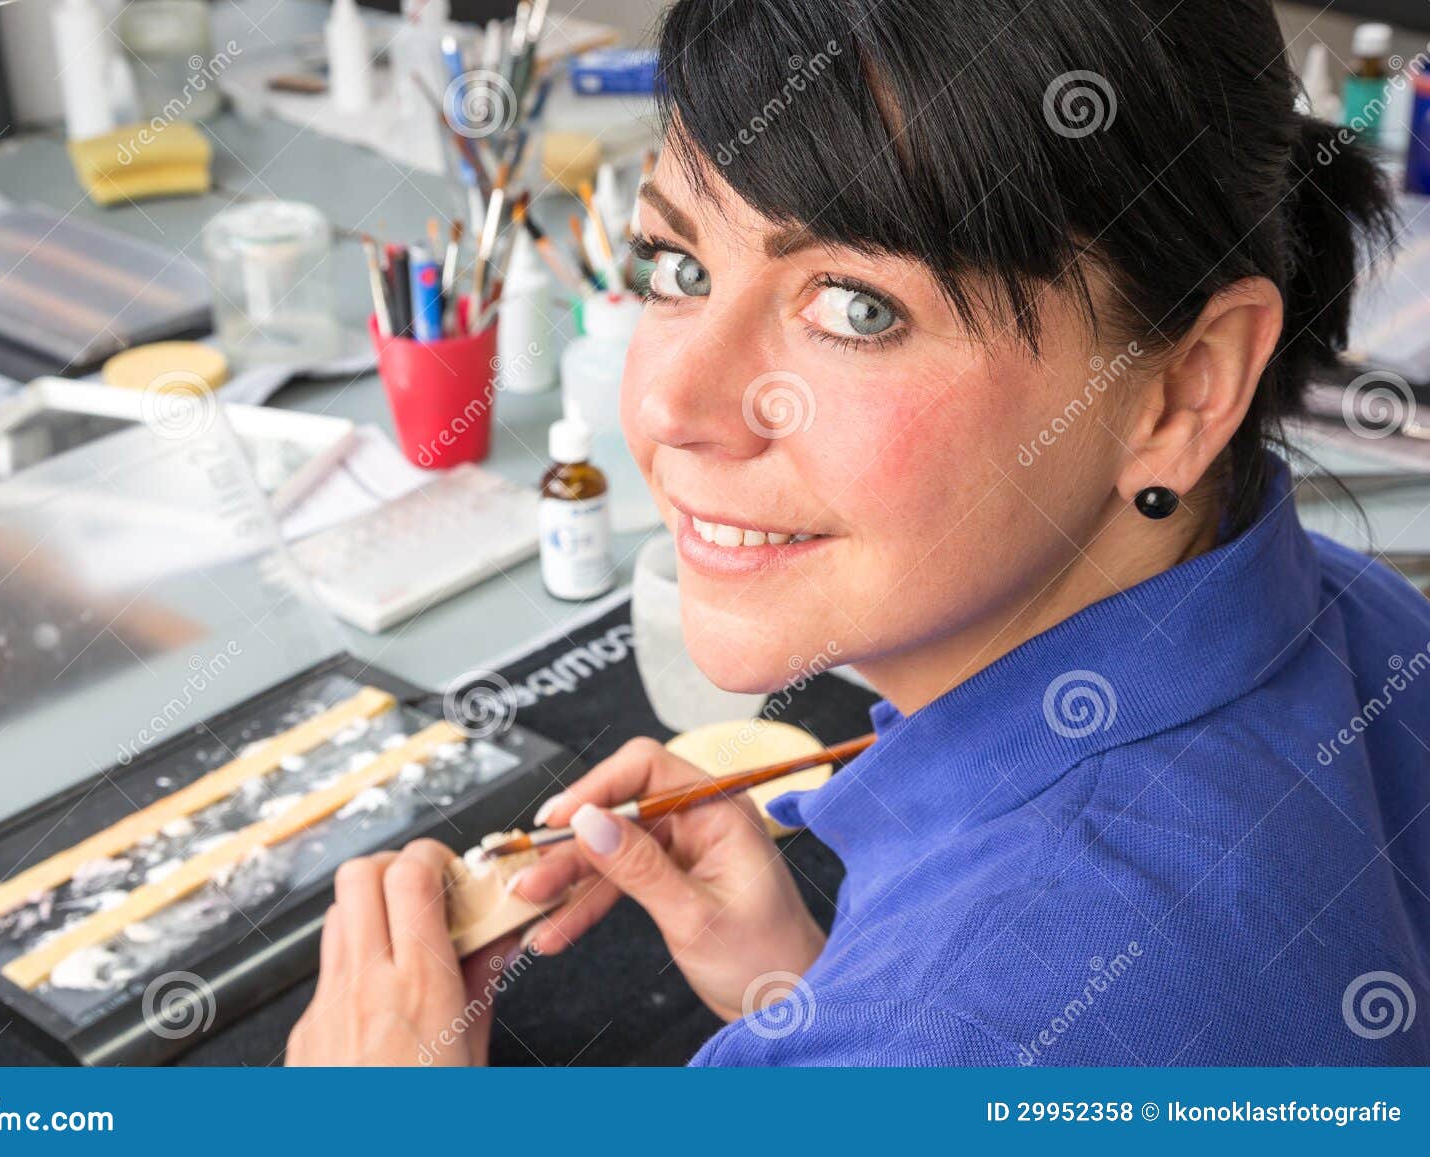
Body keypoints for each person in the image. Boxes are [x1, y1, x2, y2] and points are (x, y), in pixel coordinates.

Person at [286, 0, 1430, 1066]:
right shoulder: (1367, 618)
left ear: (1182, 389)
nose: (673, 407)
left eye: (857, 308)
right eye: (678, 266)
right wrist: (808, 995)